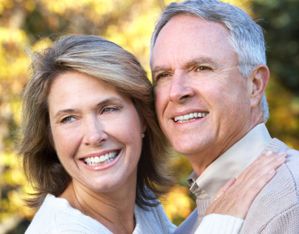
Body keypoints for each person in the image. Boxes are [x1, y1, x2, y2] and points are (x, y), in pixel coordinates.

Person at [20, 35, 284, 234]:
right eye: (69, 118)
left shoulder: (142, 208)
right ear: (51, 138)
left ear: (143, 118)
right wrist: (223, 220)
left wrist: (223, 198)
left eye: (108, 109)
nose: (94, 135)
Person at [150, 0, 299, 233]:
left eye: (201, 68)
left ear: (255, 85)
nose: (176, 92)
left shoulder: (289, 204)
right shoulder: (194, 224)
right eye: (163, 75)